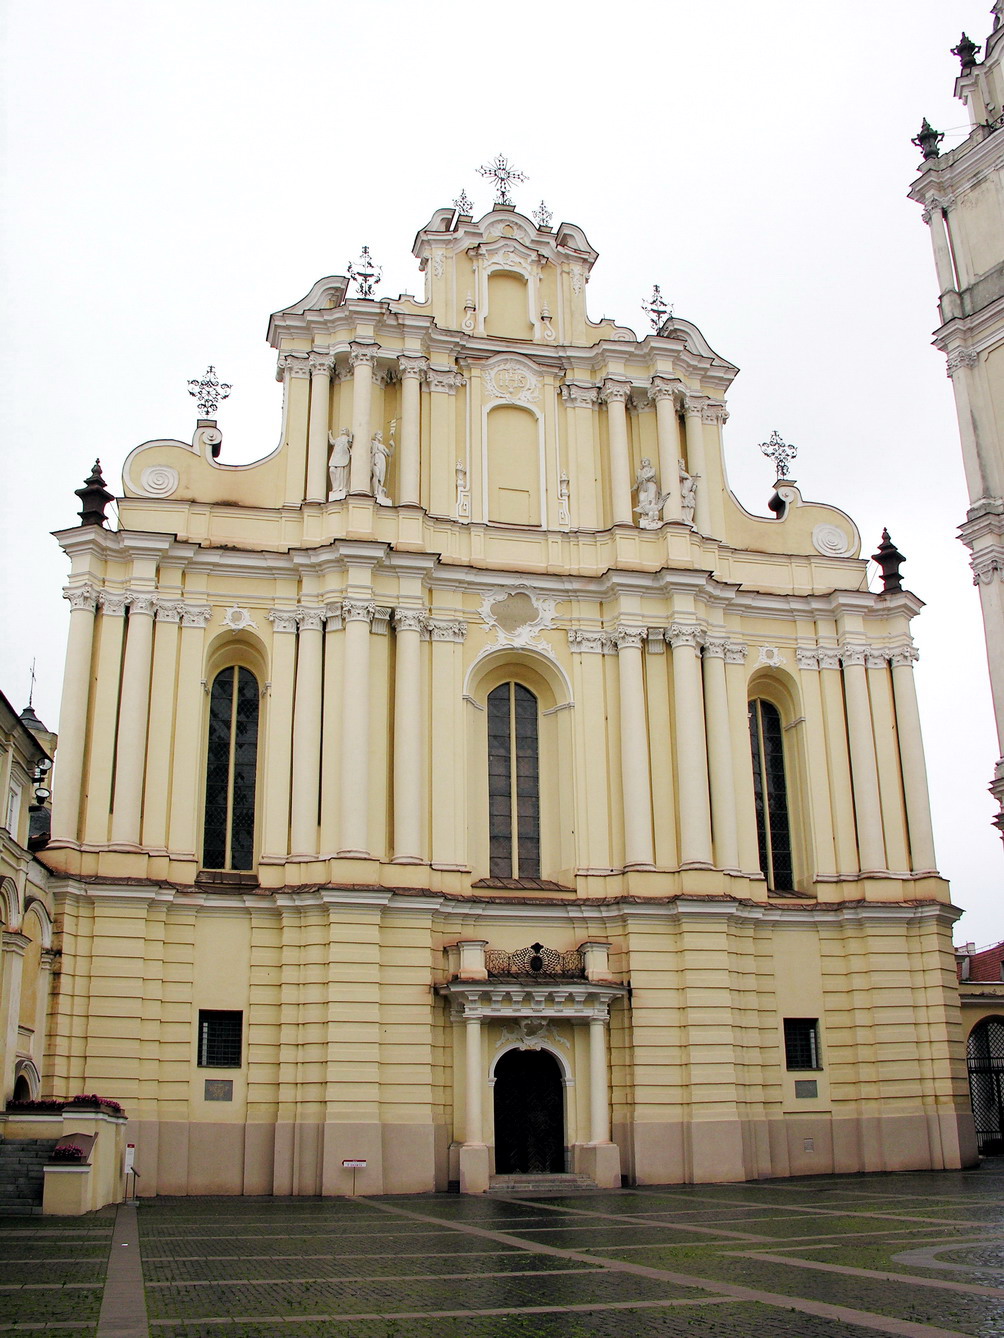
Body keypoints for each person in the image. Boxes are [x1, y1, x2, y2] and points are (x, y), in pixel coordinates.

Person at [328, 428, 352, 498]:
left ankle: (341, 487)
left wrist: (351, 436)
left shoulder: (347, 438)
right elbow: (332, 442)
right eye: (342, 430)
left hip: (343, 456)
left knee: (341, 472)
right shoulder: (338, 439)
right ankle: (335, 487)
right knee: (332, 470)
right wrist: (329, 434)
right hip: (336, 457)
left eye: (344, 430)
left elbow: (349, 443)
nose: (343, 430)